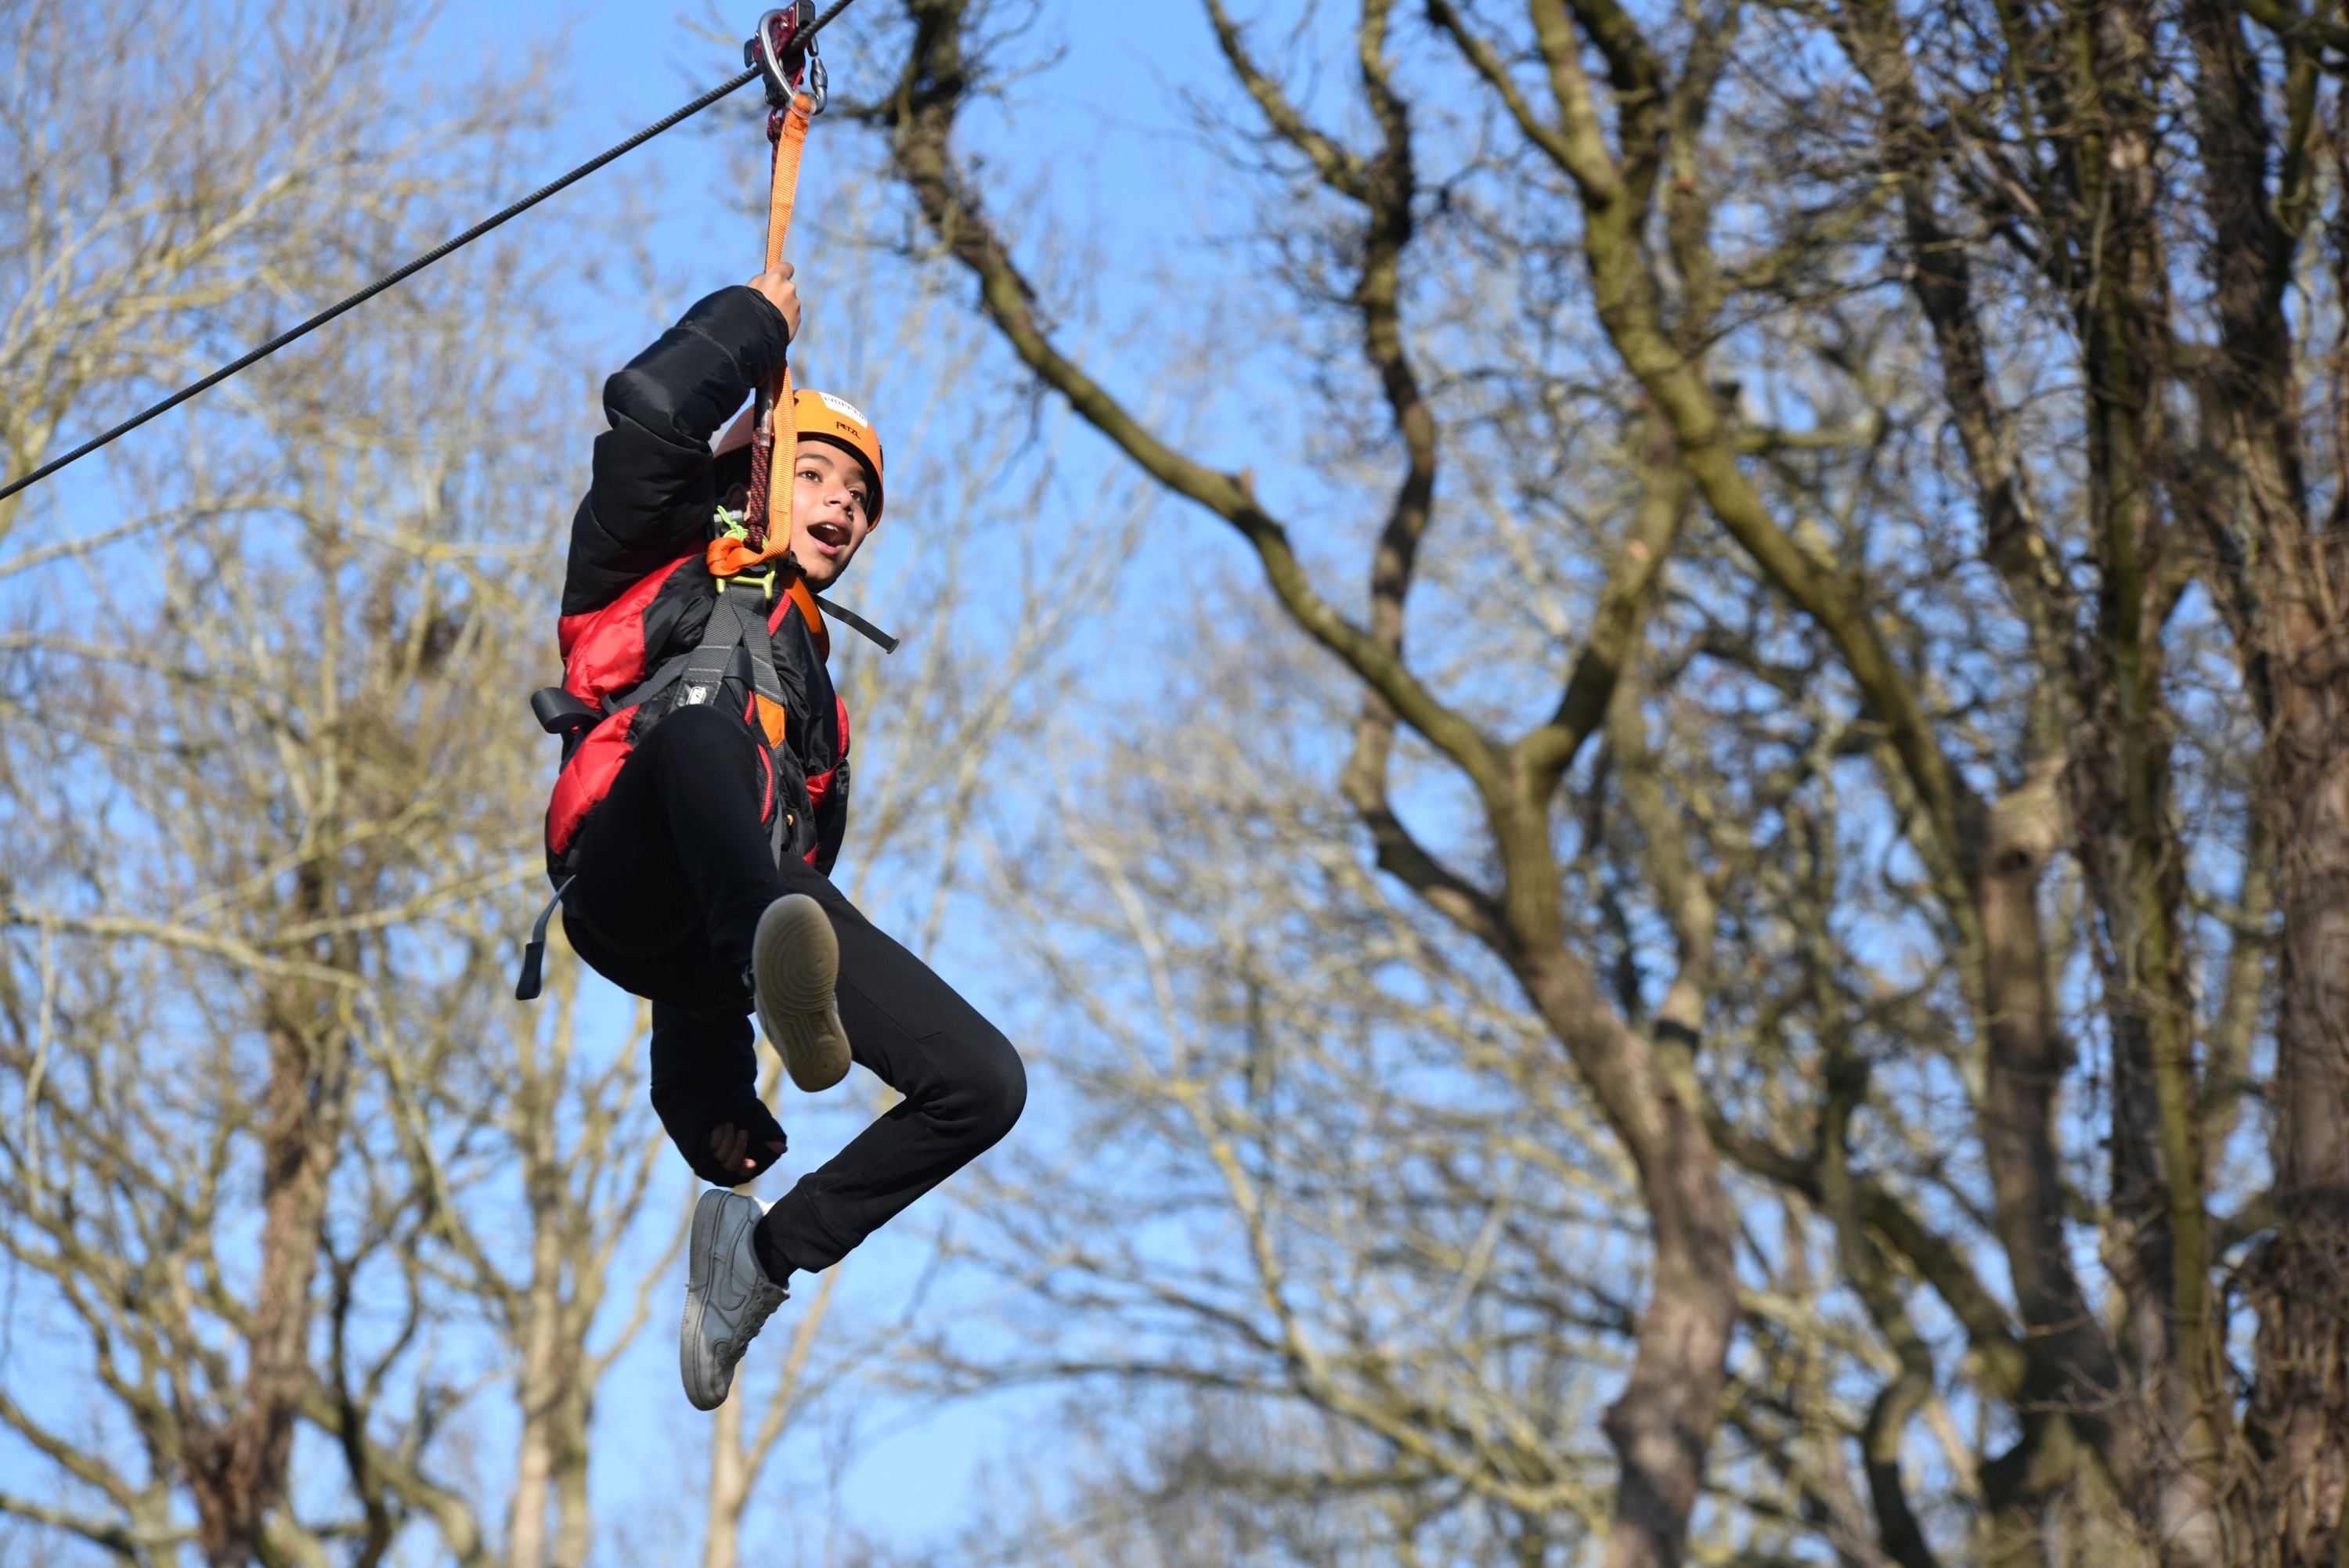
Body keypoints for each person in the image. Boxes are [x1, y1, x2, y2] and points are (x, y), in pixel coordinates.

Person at [537, 264, 1026, 1410]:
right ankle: (769, 964)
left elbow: (758, 874)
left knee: (982, 1083)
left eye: (861, 498)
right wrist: (757, 327)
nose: (845, 509)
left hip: (724, 932)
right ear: (754, 476)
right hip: (623, 874)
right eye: (815, 474)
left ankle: (756, 1265)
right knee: (707, 741)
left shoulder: (816, 703)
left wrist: (712, 1113)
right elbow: (654, 409)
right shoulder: (644, 560)